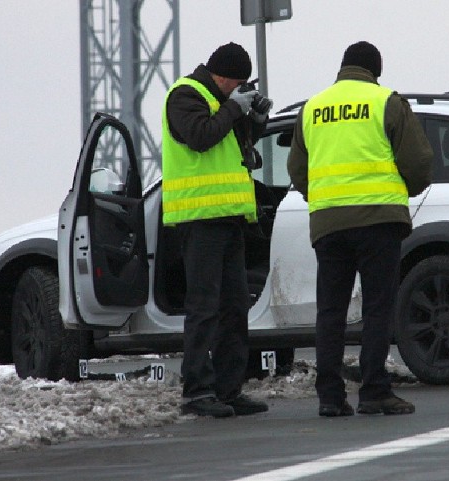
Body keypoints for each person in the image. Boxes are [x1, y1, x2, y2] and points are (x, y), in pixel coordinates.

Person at [287, 41, 433, 417]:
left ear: (343, 67)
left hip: (328, 224)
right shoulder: (386, 101)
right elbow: (417, 162)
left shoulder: (313, 107)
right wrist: (405, 189)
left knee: (330, 311)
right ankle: (373, 391)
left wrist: (323, 198)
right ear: (375, 71)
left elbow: (297, 171)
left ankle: (330, 398)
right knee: (377, 308)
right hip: (377, 221)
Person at [162, 42, 271, 418]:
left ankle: (228, 389)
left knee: (234, 308)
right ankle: (196, 392)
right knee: (204, 309)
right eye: (237, 83)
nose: (238, 90)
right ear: (221, 75)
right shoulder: (185, 95)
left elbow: (237, 144)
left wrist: (255, 120)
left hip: (229, 218)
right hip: (199, 219)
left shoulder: (223, 101)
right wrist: (234, 108)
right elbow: (201, 136)